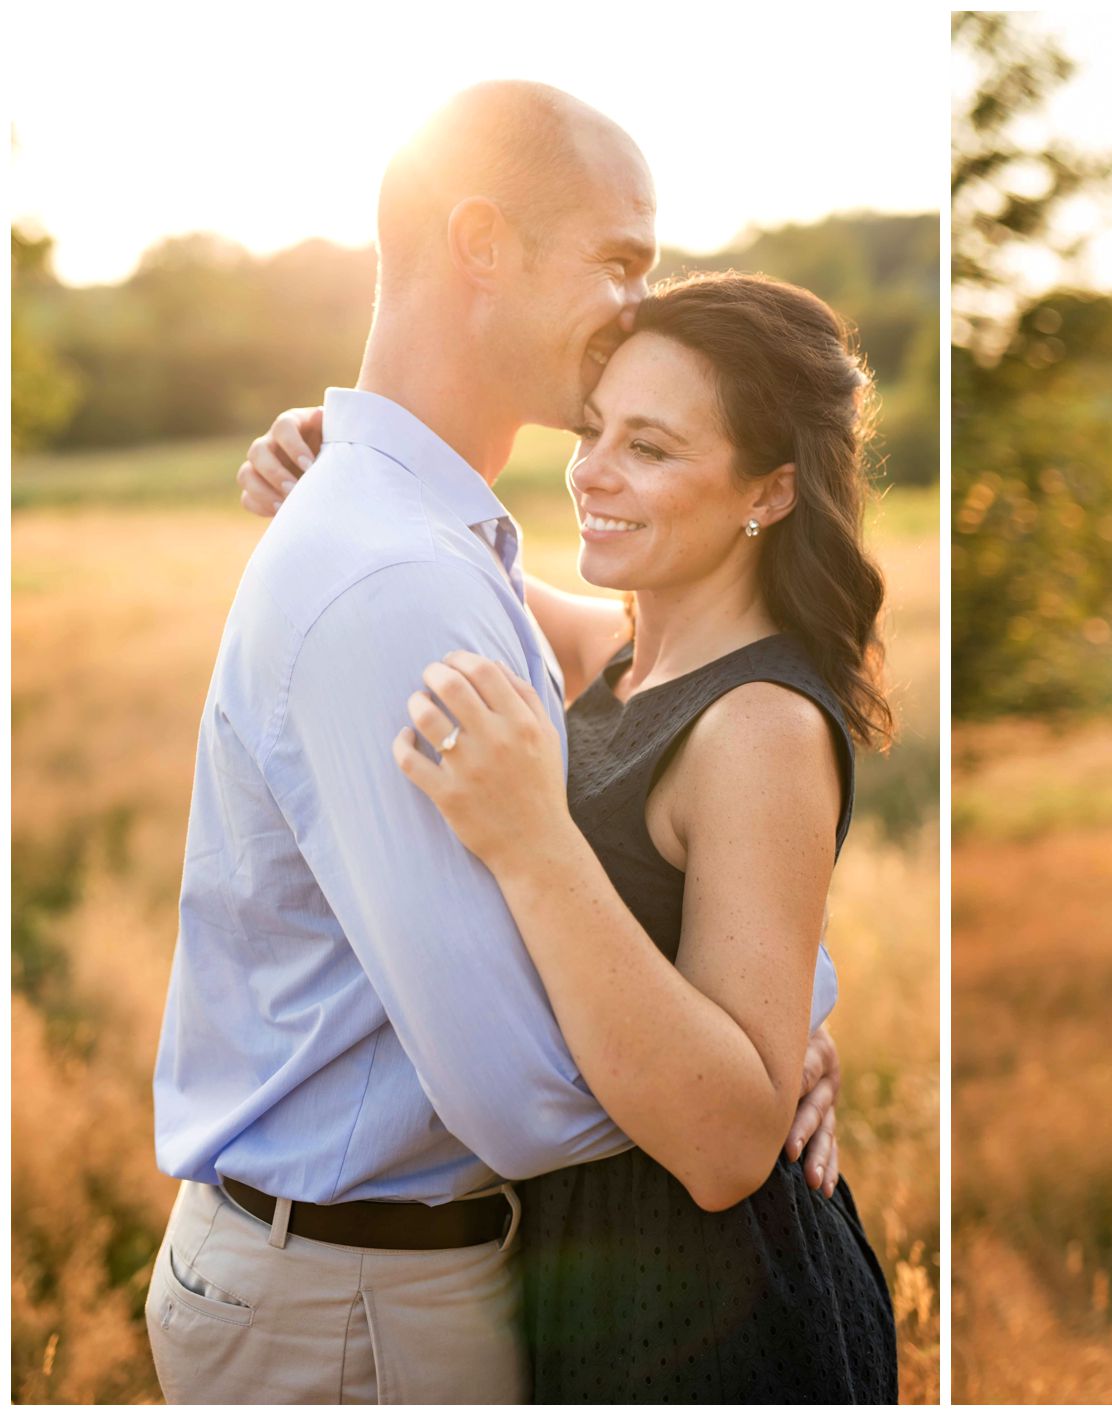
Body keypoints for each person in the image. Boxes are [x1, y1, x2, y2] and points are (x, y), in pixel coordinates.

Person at [151, 82, 877, 1402]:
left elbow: (660, 696)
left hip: (531, 1289)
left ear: (770, 494)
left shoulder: (454, 561)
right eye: (618, 262)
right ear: (480, 244)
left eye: (649, 445)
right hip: (365, 1300)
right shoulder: (403, 576)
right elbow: (538, 1101)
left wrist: (763, 1025)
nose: (628, 311)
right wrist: (754, 1065)